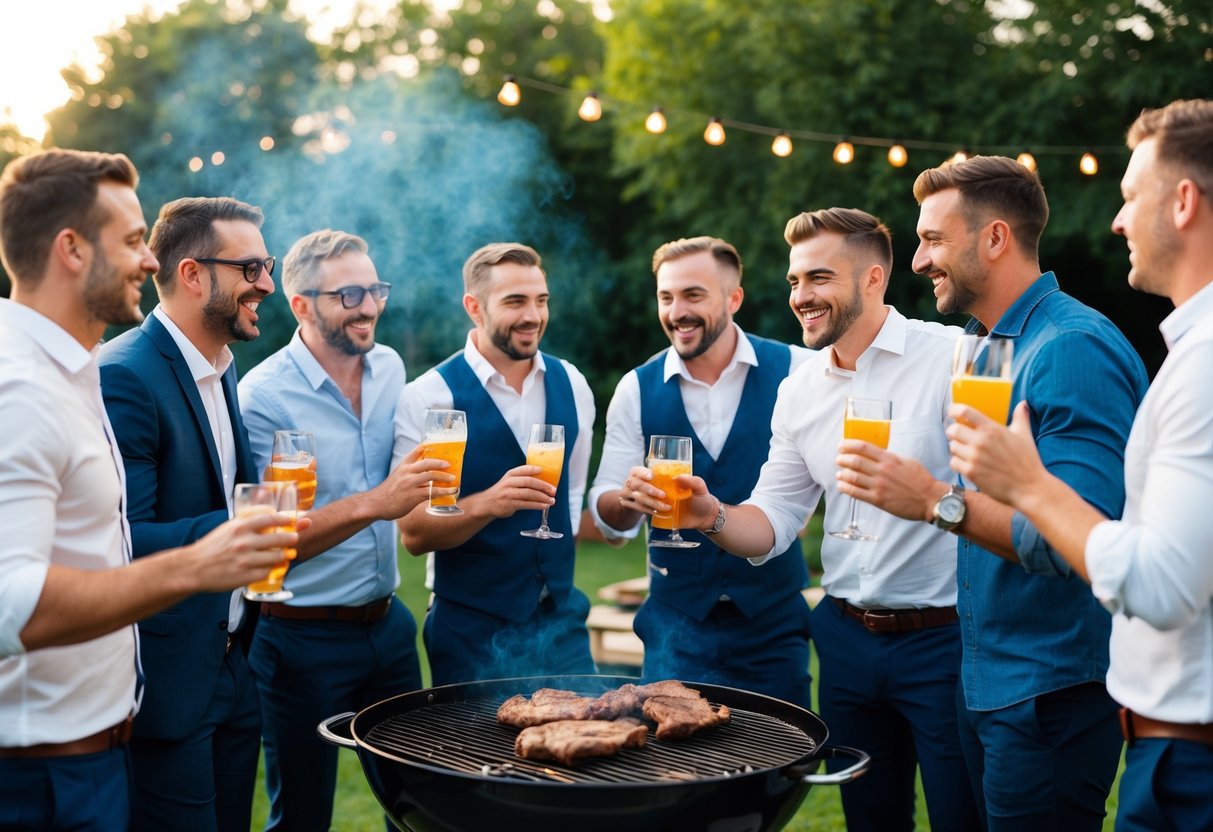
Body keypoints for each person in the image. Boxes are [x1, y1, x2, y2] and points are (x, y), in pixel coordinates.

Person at [836, 156, 1149, 829]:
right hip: (984, 677)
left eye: (933, 240)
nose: (917, 261)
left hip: (1047, 691)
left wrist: (931, 501)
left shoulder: (1069, 348)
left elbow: (1076, 538)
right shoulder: (983, 346)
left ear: (995, 238)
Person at [0, 150, 293, 831]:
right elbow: (9, 603)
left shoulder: (69, 373)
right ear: (70, 249)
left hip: (102, 744)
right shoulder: (21, 388)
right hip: (40, 772)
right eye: (132, 242)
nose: (149, 261)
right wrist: (203, 560)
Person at [945, 99, 1213, 832]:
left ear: (1183, 201)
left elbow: (1153, 578)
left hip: (1140, 732)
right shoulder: (1184, 352)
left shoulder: (1084, 349)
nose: (1117, 221)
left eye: (1130, 197)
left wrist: (1002, 490)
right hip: (1039, 694)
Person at [667, 214, 980, 831]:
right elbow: (774, 518)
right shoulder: (800, 386)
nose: (800, 296)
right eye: (793, 280)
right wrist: (711, 516)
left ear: (873, 278)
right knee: (868, 818)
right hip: (844, 640)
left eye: (818, 277)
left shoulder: (952, 356)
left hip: (945, 642)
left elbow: (995, 492)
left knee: (961, 816)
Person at [239, 229, 446, 832]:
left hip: (388, 627)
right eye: (349, 294)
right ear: (301, 305)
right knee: (301, 817)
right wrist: (375, 503)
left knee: (417, 806)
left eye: (375, 289)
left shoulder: (388, 367)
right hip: (298, 639)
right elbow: (265, 547)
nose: (369, 306)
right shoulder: (264, 397)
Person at [99, 195, 280, 832]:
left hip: (234, 662)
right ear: (192, 274)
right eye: (251, 268)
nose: (266, 283)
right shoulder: (125, 375)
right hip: (169, 678)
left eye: (268, 265)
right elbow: (126, 542)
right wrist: (252, 526)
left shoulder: (221, 366)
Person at [589, 235, 814, 708]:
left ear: (733, 298)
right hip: (676, 627)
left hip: (773, 626)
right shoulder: (637, 387)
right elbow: (607, 508)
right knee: (675, 770)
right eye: (666, 297)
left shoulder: (798, 369)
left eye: (693, 295)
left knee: (778, 765)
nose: (677, 312)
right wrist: (627, 500)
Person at [392, 242, 596, 686]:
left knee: (590, 746)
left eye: (541, 300)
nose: (533, 315)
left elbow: (572, 495)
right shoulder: (429, 396)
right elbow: (412, 532)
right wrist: (488, 503)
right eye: (515, 302)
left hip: (563, 628)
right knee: (477, 757)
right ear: (475, 308)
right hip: (470, 632)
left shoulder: (574, 384)